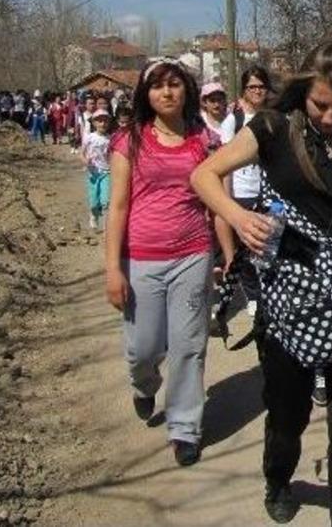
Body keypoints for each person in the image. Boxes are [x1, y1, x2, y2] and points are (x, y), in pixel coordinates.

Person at [191, 41, 332, 527]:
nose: (331, 117)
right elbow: (204, 174)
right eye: (321, 105)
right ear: (304, 90)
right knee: (286, 415)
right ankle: (278, 477)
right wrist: (235, 216)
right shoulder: (270, 127)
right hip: (287, 299)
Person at [103, 58, 221, 468]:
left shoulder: (203, 140)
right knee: (143, 347)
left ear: (187, 89)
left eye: (174, 84)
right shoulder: (128, 140)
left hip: (193, 254)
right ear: (145, 94)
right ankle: (144, 384)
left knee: (189, 346)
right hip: (141, 259)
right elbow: (117, 207)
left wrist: (228, 251)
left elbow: (216, 201)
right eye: (157, 86)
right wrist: (112, 268)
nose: (166, 93)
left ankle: (185, 427)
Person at [215, 66, 273, 321]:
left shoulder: (273, 117)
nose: (258, 91)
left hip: (269, 192)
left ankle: (270, 293)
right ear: (244, 91)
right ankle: (252, 296)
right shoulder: (233, 121)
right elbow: (225, 163)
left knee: (269, 247)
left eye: (261, 86)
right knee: (247, 249)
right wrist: (227, 199)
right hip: (242, 192)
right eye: (252, 87)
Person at [83, 109, 113, 229]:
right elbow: (82, 153)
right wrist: (85, 161)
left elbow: (112, 155)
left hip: (106, 172)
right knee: (94, 201)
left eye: (105, 121)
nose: (102, 124)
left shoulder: (110, 139)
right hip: (93, 173)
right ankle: (93, 215)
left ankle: (107, 224)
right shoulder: (89, 137)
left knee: (106, 200)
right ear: (94, 123)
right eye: (99, 121)